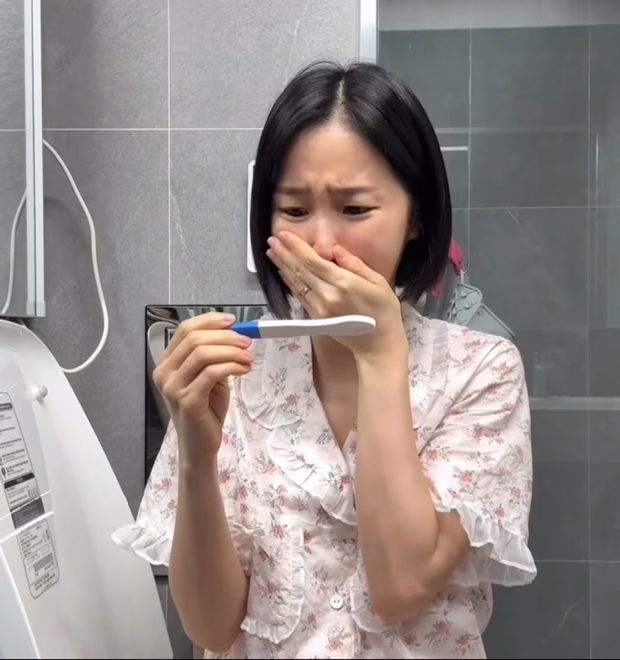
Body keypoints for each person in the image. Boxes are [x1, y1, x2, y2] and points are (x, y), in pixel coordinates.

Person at [113, 61, 536, 658]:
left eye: (355, 209)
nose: (321, 244)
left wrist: (381, 352)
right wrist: (197, 460)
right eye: (293, 211)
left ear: (416, 218)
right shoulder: (239, 372)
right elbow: (210, 628)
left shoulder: (481, 371)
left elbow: (401, 587)